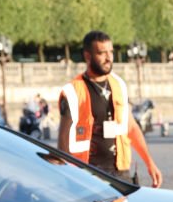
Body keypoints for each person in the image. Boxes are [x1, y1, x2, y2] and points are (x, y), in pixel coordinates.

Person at [58, 31, 162, 186]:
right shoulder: (73, 91)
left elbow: (131, 127)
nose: (109, 58)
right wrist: (67, 176)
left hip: (120, 171)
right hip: (87, 173)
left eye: (111, 52)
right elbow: (63, 140)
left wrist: (150, 163)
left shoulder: (119, 84)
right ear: (88, 56)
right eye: (102, 53)